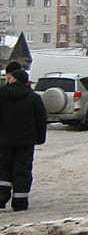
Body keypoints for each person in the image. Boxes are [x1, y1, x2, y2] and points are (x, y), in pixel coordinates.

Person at [0, 66, 48, 212]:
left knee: (3, 168)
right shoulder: (33, 98)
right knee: (23, 169)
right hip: (26, 141)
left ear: (14, 80)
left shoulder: (1, 95)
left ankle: (1, 197)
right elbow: (41, 119)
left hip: (3, 140)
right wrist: (40, 138)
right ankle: (20, 201)